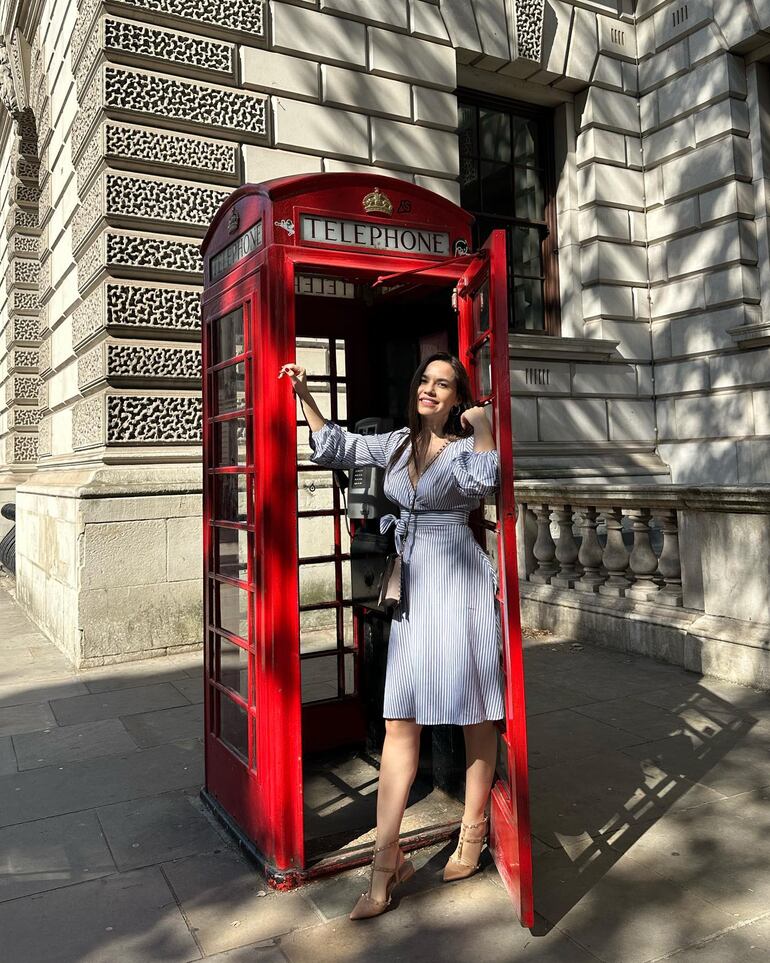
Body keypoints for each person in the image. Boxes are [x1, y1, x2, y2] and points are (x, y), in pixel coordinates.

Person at [278, 352, 504, 920]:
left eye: (443, 384)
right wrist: (306, 396)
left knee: (476, 711)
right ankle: (386, 862)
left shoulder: (463, 444)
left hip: (460, 579)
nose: (430, 389)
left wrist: (486, 426)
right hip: (415, 584)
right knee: (400, 718)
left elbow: (485, 480)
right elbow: (338, 446)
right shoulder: (398, 443)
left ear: (457, 396)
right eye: (425, 379)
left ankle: (472, 834)